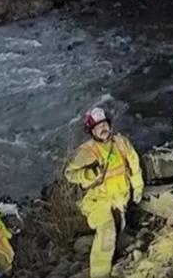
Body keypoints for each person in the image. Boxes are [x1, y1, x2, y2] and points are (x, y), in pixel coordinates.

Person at [64, 107, 144, 278]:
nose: (102, 129)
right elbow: (69, 174)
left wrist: (137, 187)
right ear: (91, 131)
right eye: (97, 127)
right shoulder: (87, 151)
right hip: (99, 200)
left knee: (118, 231)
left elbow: (134, 163)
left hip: (120, 199)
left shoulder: (121, 142)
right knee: (107, 232)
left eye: (104, 124)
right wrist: (88, 174)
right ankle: (100, 274)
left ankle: (114, 255)